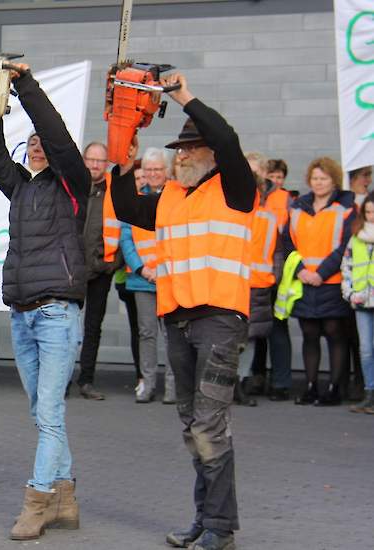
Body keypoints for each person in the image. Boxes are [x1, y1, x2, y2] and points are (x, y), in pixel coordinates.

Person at [112, 73, 256, 550]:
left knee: (209, 425)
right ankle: (206, 518)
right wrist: (122, 156)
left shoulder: (236, 187)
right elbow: (128, 205)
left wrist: (182, 96)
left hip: (219, 319)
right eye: (178, 149)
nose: (182, 155)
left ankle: (220, 528)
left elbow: (227, 137)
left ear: (211, 155)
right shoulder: (172, 196)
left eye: (191, 148)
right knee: (192, 425)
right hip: (178, 319)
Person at [0, 62, 89, 541]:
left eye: (41, 142)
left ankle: (36, 501)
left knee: (49, 413)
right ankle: (65, 500)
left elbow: (58, 136)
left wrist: (23, 85)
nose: (38, 145)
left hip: (57, 313)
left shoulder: (73, 184)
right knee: (43, 414)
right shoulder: (20, 188)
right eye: (32, 142)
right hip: (23, 314)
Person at [278, 157, 354, 406]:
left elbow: (345, 244)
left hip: (331, 280)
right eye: (315, 178)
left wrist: (321, 273)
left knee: (334, 332)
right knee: (309, 332)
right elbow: (288, 241)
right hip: (304, 280)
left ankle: (334, 388)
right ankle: (311, 387)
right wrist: (301, 270)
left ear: (334, 180)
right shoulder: (298, 206)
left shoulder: (346, 206)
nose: (319, 183)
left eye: (324, 178)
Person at [121, 147, 176, 404]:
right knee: (147, 334)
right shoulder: (135, 199)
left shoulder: (178, 199)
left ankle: (174, 387)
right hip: (142, 280)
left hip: (171, 281)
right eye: (150, 169)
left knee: (172, 335)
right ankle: (148, 384)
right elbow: (126, 240)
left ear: (167, 171)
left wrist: (162, 272)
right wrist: (143, 269)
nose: (154, 174)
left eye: (158, 169)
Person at [236, 152, 290, 406]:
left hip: (258, 286)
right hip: (237, 285)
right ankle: (234, 383)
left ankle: (241, 382)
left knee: (251, 338)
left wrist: (273, 279)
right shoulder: (233, 214)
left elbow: (277, 252)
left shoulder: (267, 217)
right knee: (235, 338)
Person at [76, 141, 121, 400]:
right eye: (91, 160)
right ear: (83, 160)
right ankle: (61, 380)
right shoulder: (73, 187)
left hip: (101, 270)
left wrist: (111, 264)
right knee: (66, 327)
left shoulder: (115, 191)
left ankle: (86, 380)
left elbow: (128, 228)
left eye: (100, 161)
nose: (95, 165)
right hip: (72, 270)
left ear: (107, 165)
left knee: (93, 327)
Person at [342, 194, 374, 414]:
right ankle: (369, 393)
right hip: (362, 301)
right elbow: (347, 267)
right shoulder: (356, 238)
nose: (372, 216)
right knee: (365, 350)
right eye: (368, 212)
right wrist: (350, 293)